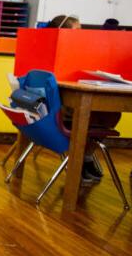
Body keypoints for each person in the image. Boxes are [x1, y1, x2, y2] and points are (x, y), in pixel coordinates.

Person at [46, 14, 121, 183]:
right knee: (88, 116)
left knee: (112, 114)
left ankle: (85, 156)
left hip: (76, 108)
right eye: (77, 31)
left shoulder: (83, 51)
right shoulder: (57, 56)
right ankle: (80, 159)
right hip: (63, 114)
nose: (82, 34)